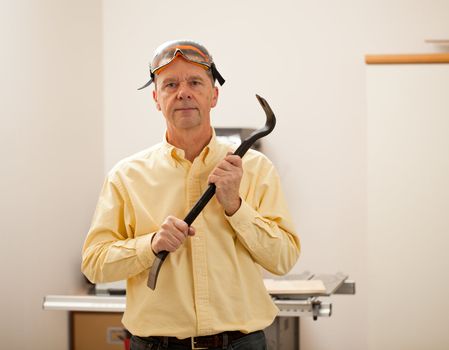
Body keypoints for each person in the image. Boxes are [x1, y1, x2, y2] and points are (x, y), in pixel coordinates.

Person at [81, 40, 300, 350]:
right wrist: (151, 244)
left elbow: (284, 259)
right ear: (157, 99)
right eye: (170, 84)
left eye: (195, 82)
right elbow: (94, 264)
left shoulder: (256, 168)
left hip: (242, 344)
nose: (183, 92)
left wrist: (236, 207)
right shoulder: (126, 177)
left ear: (214, 95)